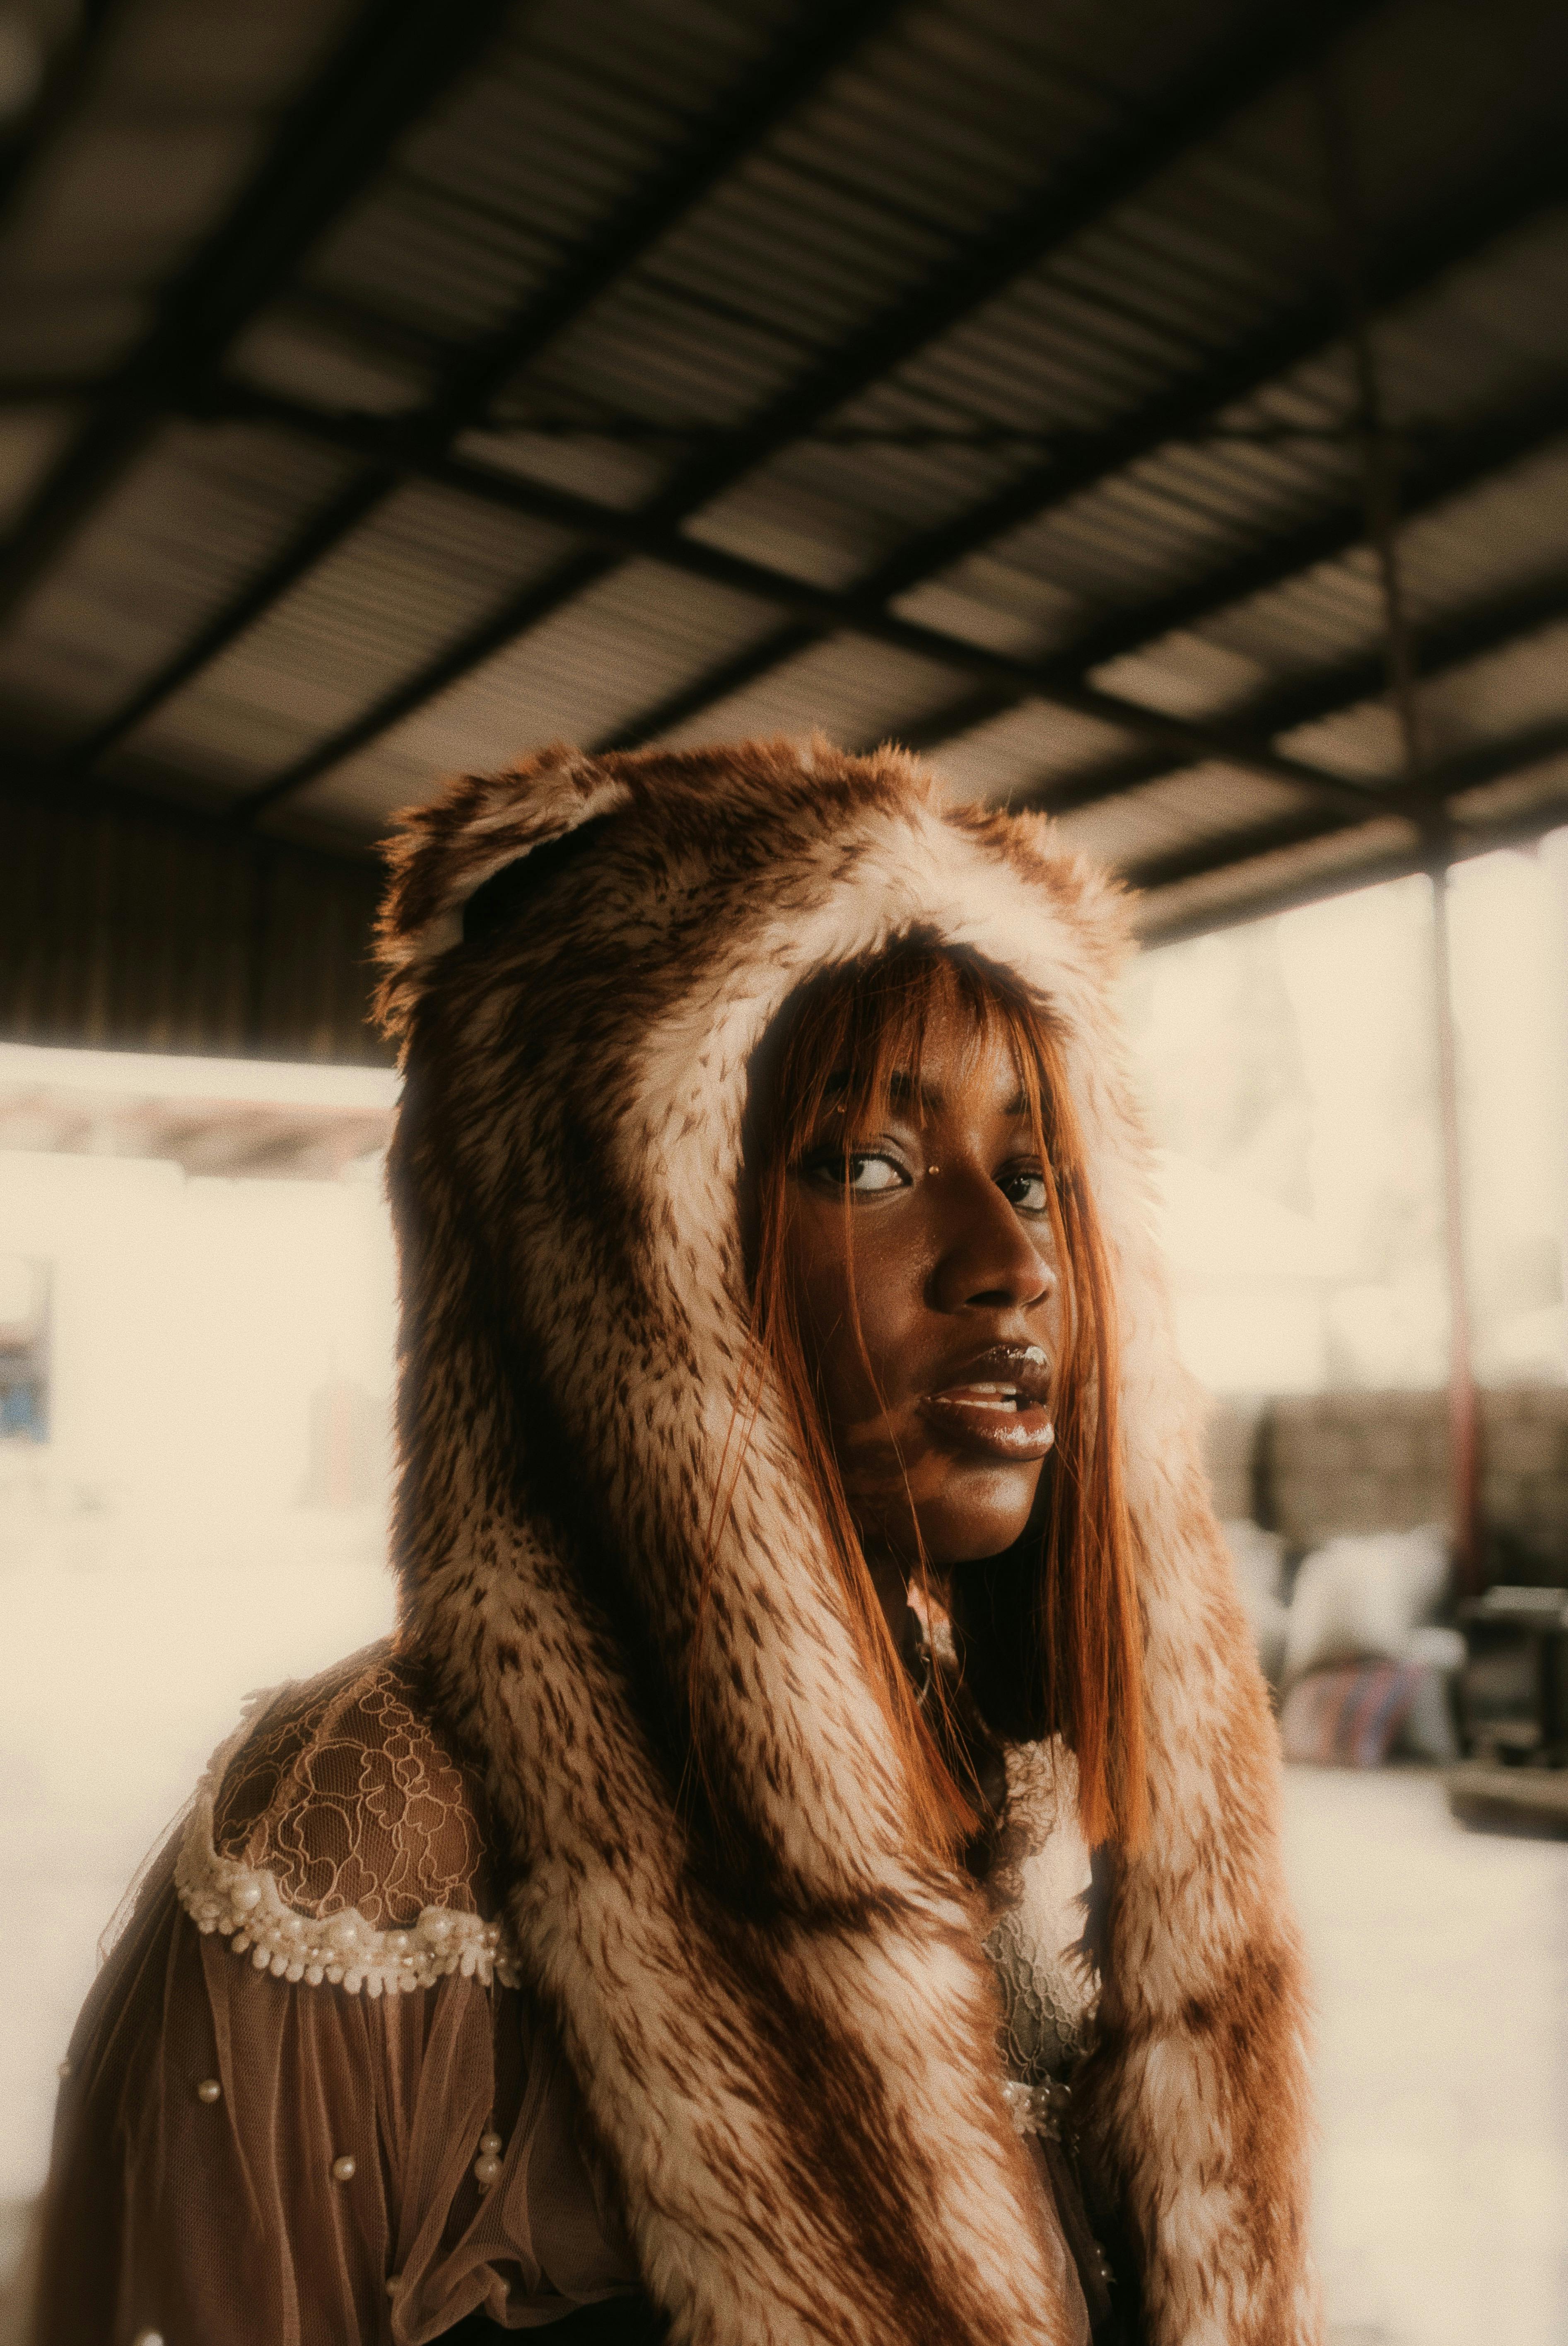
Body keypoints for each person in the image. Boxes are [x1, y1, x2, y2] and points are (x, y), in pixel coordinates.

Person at [34, 738, 1318, 2346]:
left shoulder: (1042, 1784)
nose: (1007, 1262)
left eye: (1036, 1174)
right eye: (867, 1162)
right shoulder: (374, 1828)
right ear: (631, 1261)